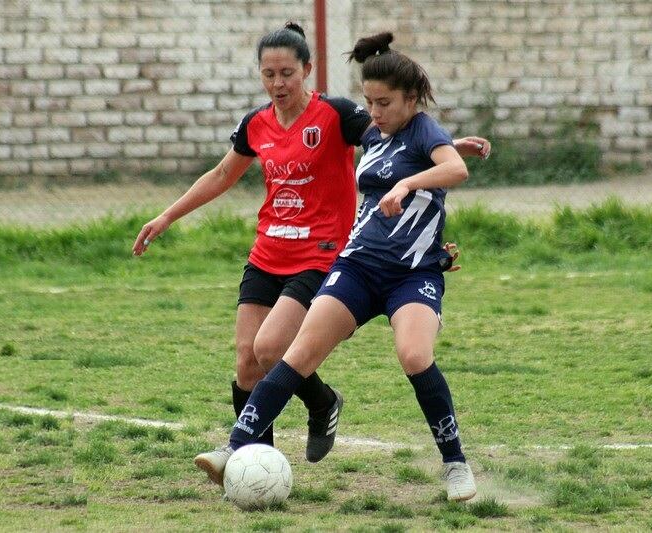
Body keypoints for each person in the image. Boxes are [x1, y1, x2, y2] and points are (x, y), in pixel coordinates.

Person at [133, 23, 489, 474]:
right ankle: (245, 461)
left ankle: (357, 422)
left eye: (287, 73)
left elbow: (412, 145)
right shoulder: (259, 124)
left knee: (279, 351)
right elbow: (223, 175)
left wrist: (443, 152)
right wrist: (166, 216)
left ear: (307, 71)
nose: (278, 83)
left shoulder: (340, 115)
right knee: (250, 361)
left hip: (324, 255)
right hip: (287, 256)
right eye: (268, 74)